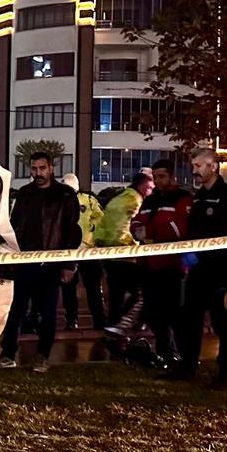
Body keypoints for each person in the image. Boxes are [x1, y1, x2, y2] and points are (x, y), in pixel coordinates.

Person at [0, 152, 80, 371]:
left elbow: (72, 231)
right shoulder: (25, 194)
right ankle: (8, 353)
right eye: (34, 169)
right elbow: (14, 226)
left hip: (50, 264)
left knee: (47, 313)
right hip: (24, 263)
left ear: (51, 168)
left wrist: (69, 264)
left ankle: (42, 356)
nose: (37, 173)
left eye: (42, 168)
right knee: (16, 310)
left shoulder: (65, 195)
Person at [173, 147, 227, 384]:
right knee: (190, 320)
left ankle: (226, 373)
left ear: (213, 167)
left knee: (221, 323)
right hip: (197, 271)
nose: (194, 170)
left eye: (199, 166)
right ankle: (188, 367)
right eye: (193, 166)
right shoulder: (199, 196)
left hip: (219, 270)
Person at [136, 159, 194, 372]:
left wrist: (149, 232)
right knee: (153, 313)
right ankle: (165, 352)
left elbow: (178, 229)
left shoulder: (182, 198)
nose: (158, 181)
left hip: (173, 267)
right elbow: (136, 221)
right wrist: (140, 230)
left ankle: (183, 356)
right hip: (149, 265)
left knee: (175, 315)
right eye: (155, 177)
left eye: (162, 176)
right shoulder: (150, 201)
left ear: (172, 176)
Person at [98, 171, 152, 335]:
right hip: (126, 253)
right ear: (142, 186)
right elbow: (129, 228)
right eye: (150, 187)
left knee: (116, 293)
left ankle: (113, 325)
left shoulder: (117, 199)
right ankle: (127, 322)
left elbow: (104, 223)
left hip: (108, 253)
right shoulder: (135, 201)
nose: (151, 191)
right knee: (141, 292)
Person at [60, 173, 106, 330]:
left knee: (78, 289)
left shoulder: (84, 200)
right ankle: (90, 322)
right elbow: (101, 221)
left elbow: (100, 220)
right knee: (80, 290)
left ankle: (78, 321)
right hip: (79, 252)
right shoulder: (87, 200)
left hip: (79, 252)